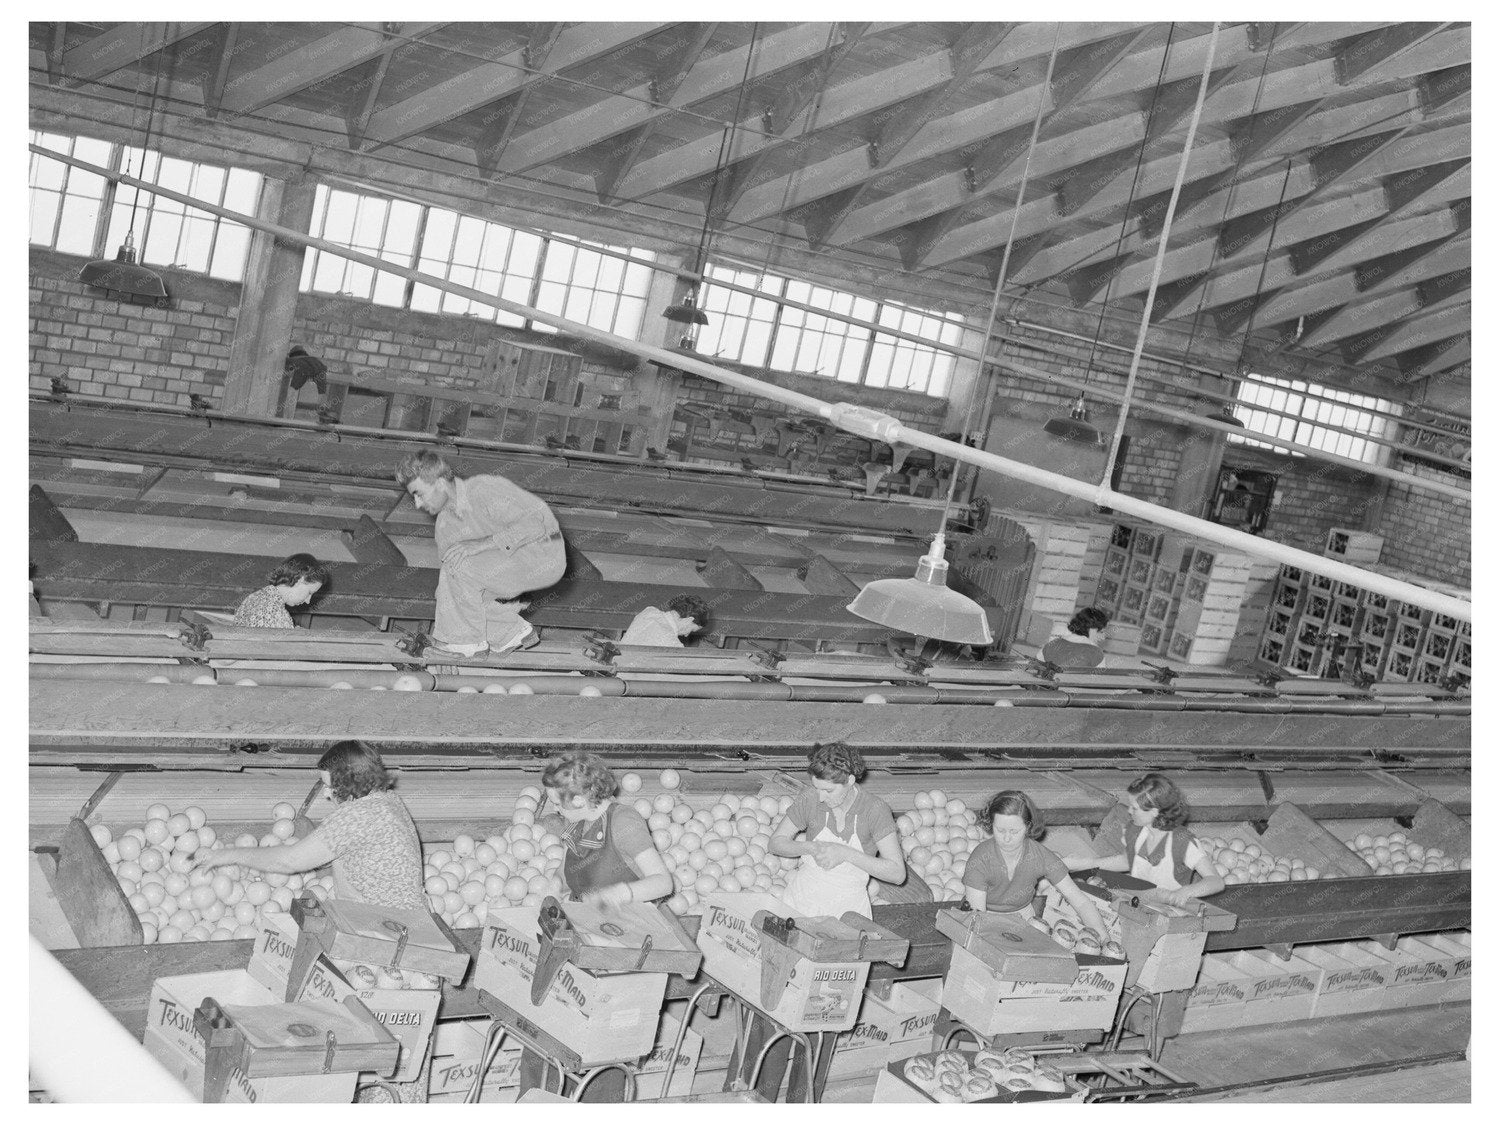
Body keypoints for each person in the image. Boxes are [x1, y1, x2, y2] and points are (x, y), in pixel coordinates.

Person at [741, 743, 905, 1102]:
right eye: (815, 787)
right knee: (773, 1003)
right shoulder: (809, 800)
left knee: (824, 1013)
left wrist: (847, 854)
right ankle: (754, 1097)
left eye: (828, 790)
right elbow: (777, 843)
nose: (820, 796)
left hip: (844, 923)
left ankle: (802, 1101)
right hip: (798, 910)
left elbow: (895, 872)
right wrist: (809, 848)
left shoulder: (875, 810)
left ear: (849, 780)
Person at [519, 753, 673, 1100]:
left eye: (557, 802)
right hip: (580, 936)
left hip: (620, 946)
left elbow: (663, 882)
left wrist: (622, 892)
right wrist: (552, 887)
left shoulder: (625, 822)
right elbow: (566, 869)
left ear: (580, 799)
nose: (553, 809)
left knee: (602, 1043)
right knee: (549, 1026)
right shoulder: (577, 821)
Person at [193, 740, 426, 912]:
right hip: (410, 921)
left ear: (350, 780)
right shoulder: (387, 801)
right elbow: (360, 855)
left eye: (330, 785)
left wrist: (229, 855)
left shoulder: (355, 815)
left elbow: (288, 861)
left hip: (379, 932)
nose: (326, 794)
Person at [395, 451, 565, 657]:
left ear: (440, 483)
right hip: (512, 562)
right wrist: (443, 648)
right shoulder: (444, 525)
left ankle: (469, 644)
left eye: (419, 494)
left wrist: (480, 544)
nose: (417, 504)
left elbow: (534, 526)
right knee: (453, 591)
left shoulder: (483, 489)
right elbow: (453, 588)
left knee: (461, 566)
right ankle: (510, 633)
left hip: (544, 552)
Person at [962, 790, 1107, 939]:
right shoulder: (980, 858)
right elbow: (977, 919)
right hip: (987, 918)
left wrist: (1101, 934)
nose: (1006, 838)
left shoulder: (1040, 856)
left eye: (1014, 831)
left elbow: (1080, 901)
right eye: (1000, 830)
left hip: (1024, 917)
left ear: (1028, 827)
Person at [1065, 774, 1225, 907]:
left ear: (1155, 811)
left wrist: (1186, 892)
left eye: (1135, 808)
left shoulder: (1182, 842)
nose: (1129, 811)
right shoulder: (1136, 831)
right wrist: (1085, 863)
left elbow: (1216, 881)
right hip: (1136, 903)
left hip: (1167, 910)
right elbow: (1127, 861)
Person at [233, 553, 329, 628]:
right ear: (300, 579)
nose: (308, 601)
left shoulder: (255, 597)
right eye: (309, 593)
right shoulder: (274, 612)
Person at [619, 593, 710, 647]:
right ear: (689, 620)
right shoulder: (672, 644)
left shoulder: (649, 611)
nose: (686, 635)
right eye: (691, 630)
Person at [1041, 606, 1111, 669]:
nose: (1103, 637)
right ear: (1092, 629)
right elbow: (1098, 681)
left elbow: (1035, 669)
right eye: (1101, 632)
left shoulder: (1051, 645)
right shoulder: (1097, 653)